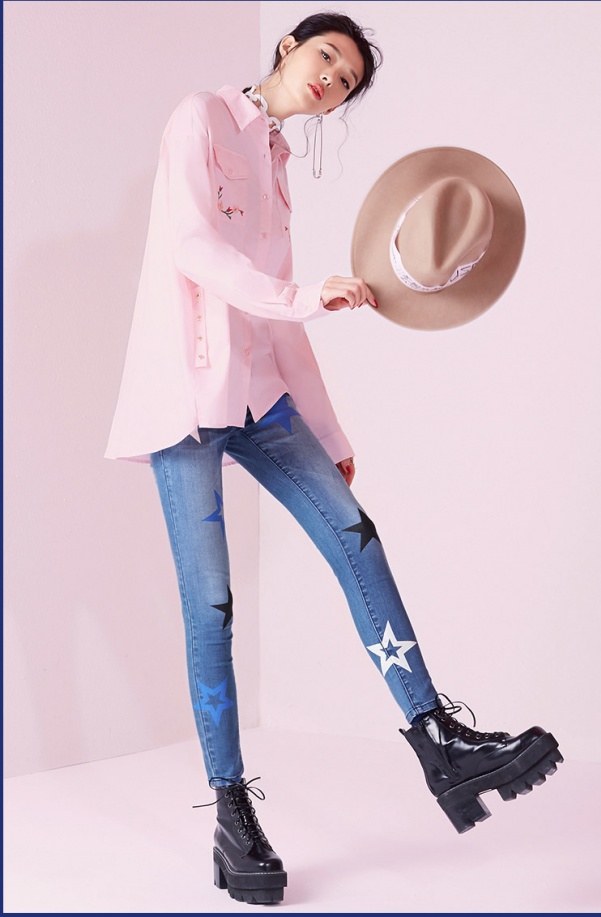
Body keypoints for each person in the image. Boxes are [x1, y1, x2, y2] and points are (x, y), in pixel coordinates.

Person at [105, 11, 562, 906]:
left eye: (346, 81)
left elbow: (280, 325)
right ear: (289, 48)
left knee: (357, 538)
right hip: (186, 399)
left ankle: (440, 742)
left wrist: (332, 435)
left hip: (262, 397)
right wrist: (307, 293)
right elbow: (195, 249)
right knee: (212, 606)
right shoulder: (201, 117)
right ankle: (232, 816)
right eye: (326, 57)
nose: (331, 81)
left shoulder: (277, 169)